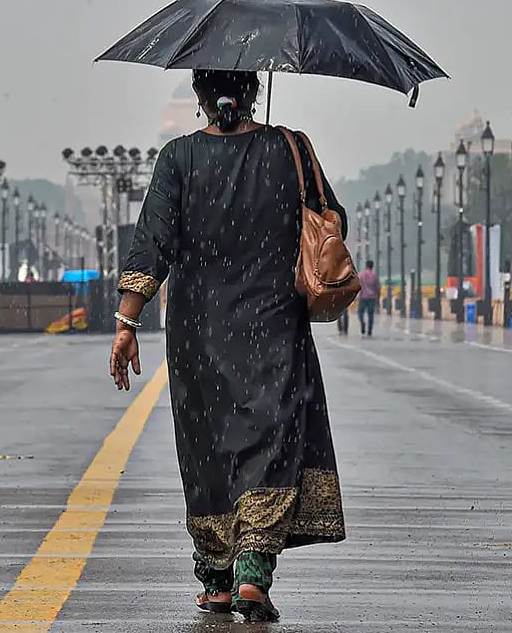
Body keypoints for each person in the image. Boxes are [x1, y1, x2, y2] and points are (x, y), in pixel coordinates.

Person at [109, 69, 347, 623]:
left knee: (207, 444)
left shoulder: (178, 158)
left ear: (199, 95)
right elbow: (333, 225)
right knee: (270, 437)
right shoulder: (290, 149)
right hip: (273, 323)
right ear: (255, 90)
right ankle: (252, 575)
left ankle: (216, 579)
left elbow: (152, 243)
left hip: (199, 331)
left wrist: (126, 323)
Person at [357, 260, 379, 337]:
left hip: (363, 297)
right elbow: (377, 288)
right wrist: (377, 297)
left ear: (366, 266)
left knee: (360, 312)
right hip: (372, 297)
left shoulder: (361, 275)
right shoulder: (375, 276)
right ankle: (369, 330)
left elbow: (359, 286)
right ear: (372, 266)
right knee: (371, 314)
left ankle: (362, 322)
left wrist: (358, 296)